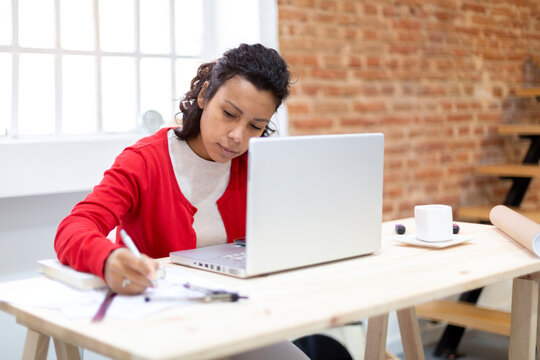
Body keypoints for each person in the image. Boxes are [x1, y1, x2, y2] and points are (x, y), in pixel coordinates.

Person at [55, 43, 310, 359]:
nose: (238, 136)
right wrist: (107, 260)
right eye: (229, 114)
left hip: (235, 321)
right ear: (204, 95)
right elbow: (73, 228)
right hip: (163, 329)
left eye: (255, 126)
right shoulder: (144, 161)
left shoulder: (255, 164)